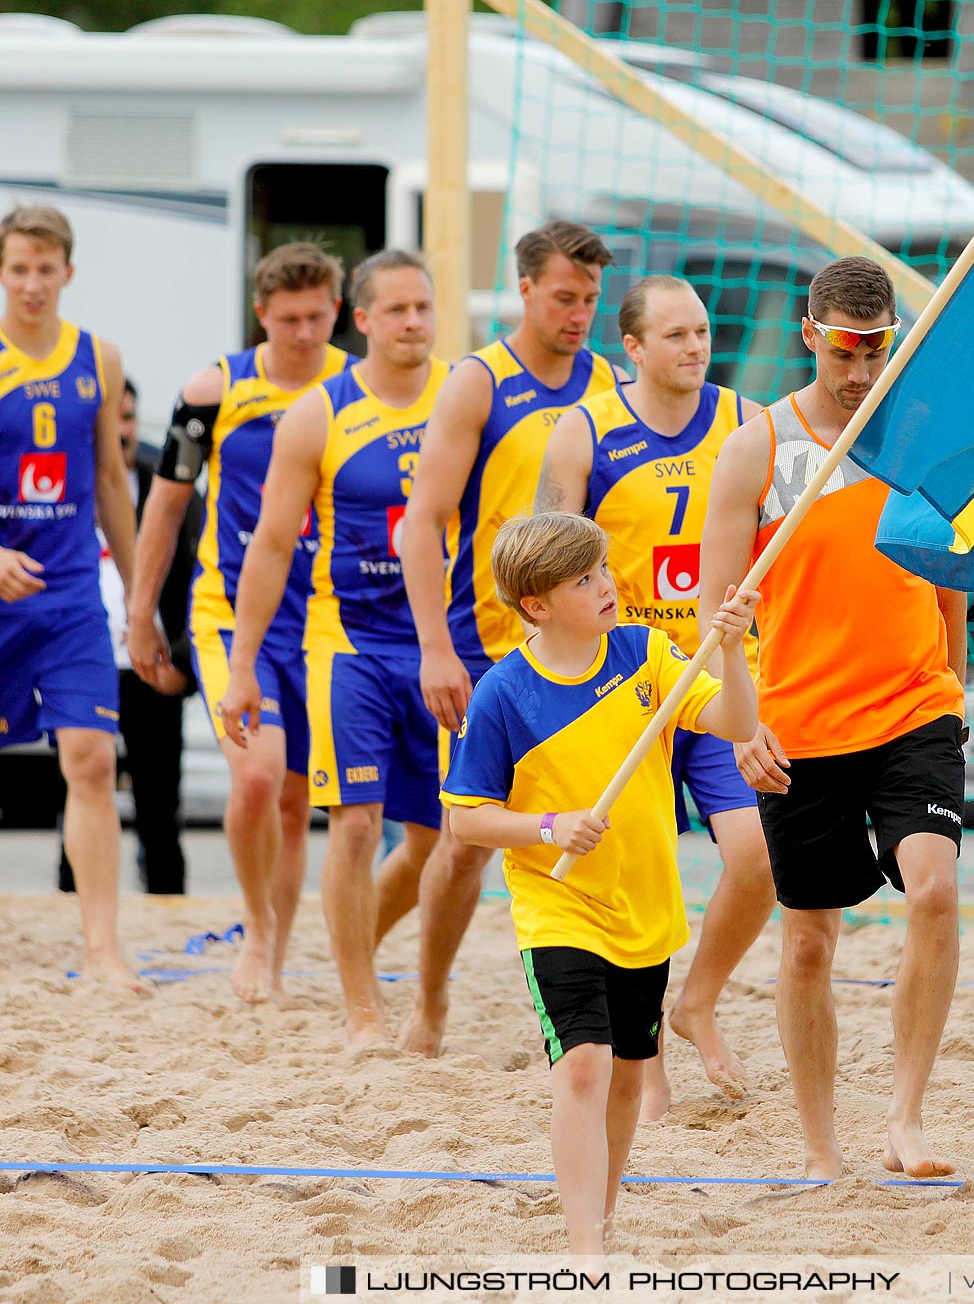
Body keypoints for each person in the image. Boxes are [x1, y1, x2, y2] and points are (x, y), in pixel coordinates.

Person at [700, 255, 966, 1181]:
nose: (860, 371)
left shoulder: (917, 435)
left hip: (913, 703)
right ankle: (820, 1147)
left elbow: (946, 573)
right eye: (846, 350)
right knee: (809, 941)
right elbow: (716, 611)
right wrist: (742, 726)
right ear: (810, 334)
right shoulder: (759, 449)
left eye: (877, 350)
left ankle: (905, 1119)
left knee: (933, 891)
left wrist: (956, 686)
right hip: (801, 719)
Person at [442, 513, 760, 1254]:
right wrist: (550, 826)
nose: (606, 586)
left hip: (643, 908)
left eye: (603, 570)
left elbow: (738, 720)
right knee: (583, 1065)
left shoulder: (646, 651)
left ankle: (604, 1217)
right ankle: (585, 1245)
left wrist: (736, 651)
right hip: (558, 907)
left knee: (625, 1079)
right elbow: (467, 819)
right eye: (583, 580)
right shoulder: (503, 694)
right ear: (538, 605)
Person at [537, 273, 775, 1120]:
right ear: (631, 347)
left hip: (711, 668)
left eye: (703, 330)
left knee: (759, 856)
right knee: (636, 877)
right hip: (621, 680)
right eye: (674, 334)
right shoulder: (586, 431)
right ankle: (645, 1058)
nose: (695, 345)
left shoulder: (751, 423)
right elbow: (545, 555)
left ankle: (698, 998)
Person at [221, 251, 447, 1049]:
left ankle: (352, 941)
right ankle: (363, 1012)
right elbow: (273, 542)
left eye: (423, 306)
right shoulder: (321, 412)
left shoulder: (464, 396)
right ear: (364, 320)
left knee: (438, 840)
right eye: (396, 310)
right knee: (355, 823)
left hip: (440, 640)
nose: (414, 322)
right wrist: (243, 663)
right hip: (346, 641)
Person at [397, 219, 613, 1056]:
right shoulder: (478, 383)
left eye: (592, 299)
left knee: (591, 825)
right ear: (523, 288)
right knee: (462, 841)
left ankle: (597, 1011)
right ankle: (429, 1000)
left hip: (579, 647)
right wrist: (433, 647)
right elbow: (422, 525)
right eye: (565, 296)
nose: (579, 313)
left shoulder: (611, 385)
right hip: (482, 643)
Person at [128, 243, 348, 1001]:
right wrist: (140, 613)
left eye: (317, 317)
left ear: (338, 309)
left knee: (294, 803)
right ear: (261, 313)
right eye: (287, 319)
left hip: (320, 614)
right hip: (228, 611)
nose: (302, 333)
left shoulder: (353, 386)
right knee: (254, 779)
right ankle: (255, 930)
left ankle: (276, 951)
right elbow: (164, 506)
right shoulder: (214, 388)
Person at [0, 204, 142, 991]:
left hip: (72, 601)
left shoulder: (99, 357)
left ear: (67, 273)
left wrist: (142, 597)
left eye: (44, 269)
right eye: (18, 267)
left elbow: (113, 485)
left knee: (90, 759)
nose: (30, 283)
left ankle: (102, 951)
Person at [61, 378, 202, 895]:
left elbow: (200, 576)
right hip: (80, 663)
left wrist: (184, 667)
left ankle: (168, 915)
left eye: (128, 418)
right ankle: (74, 918)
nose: (120, 430)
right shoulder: (62, 487)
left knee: (160, 809)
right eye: (109, 419)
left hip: (151, 665)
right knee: (77, 796)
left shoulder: (171, 488)